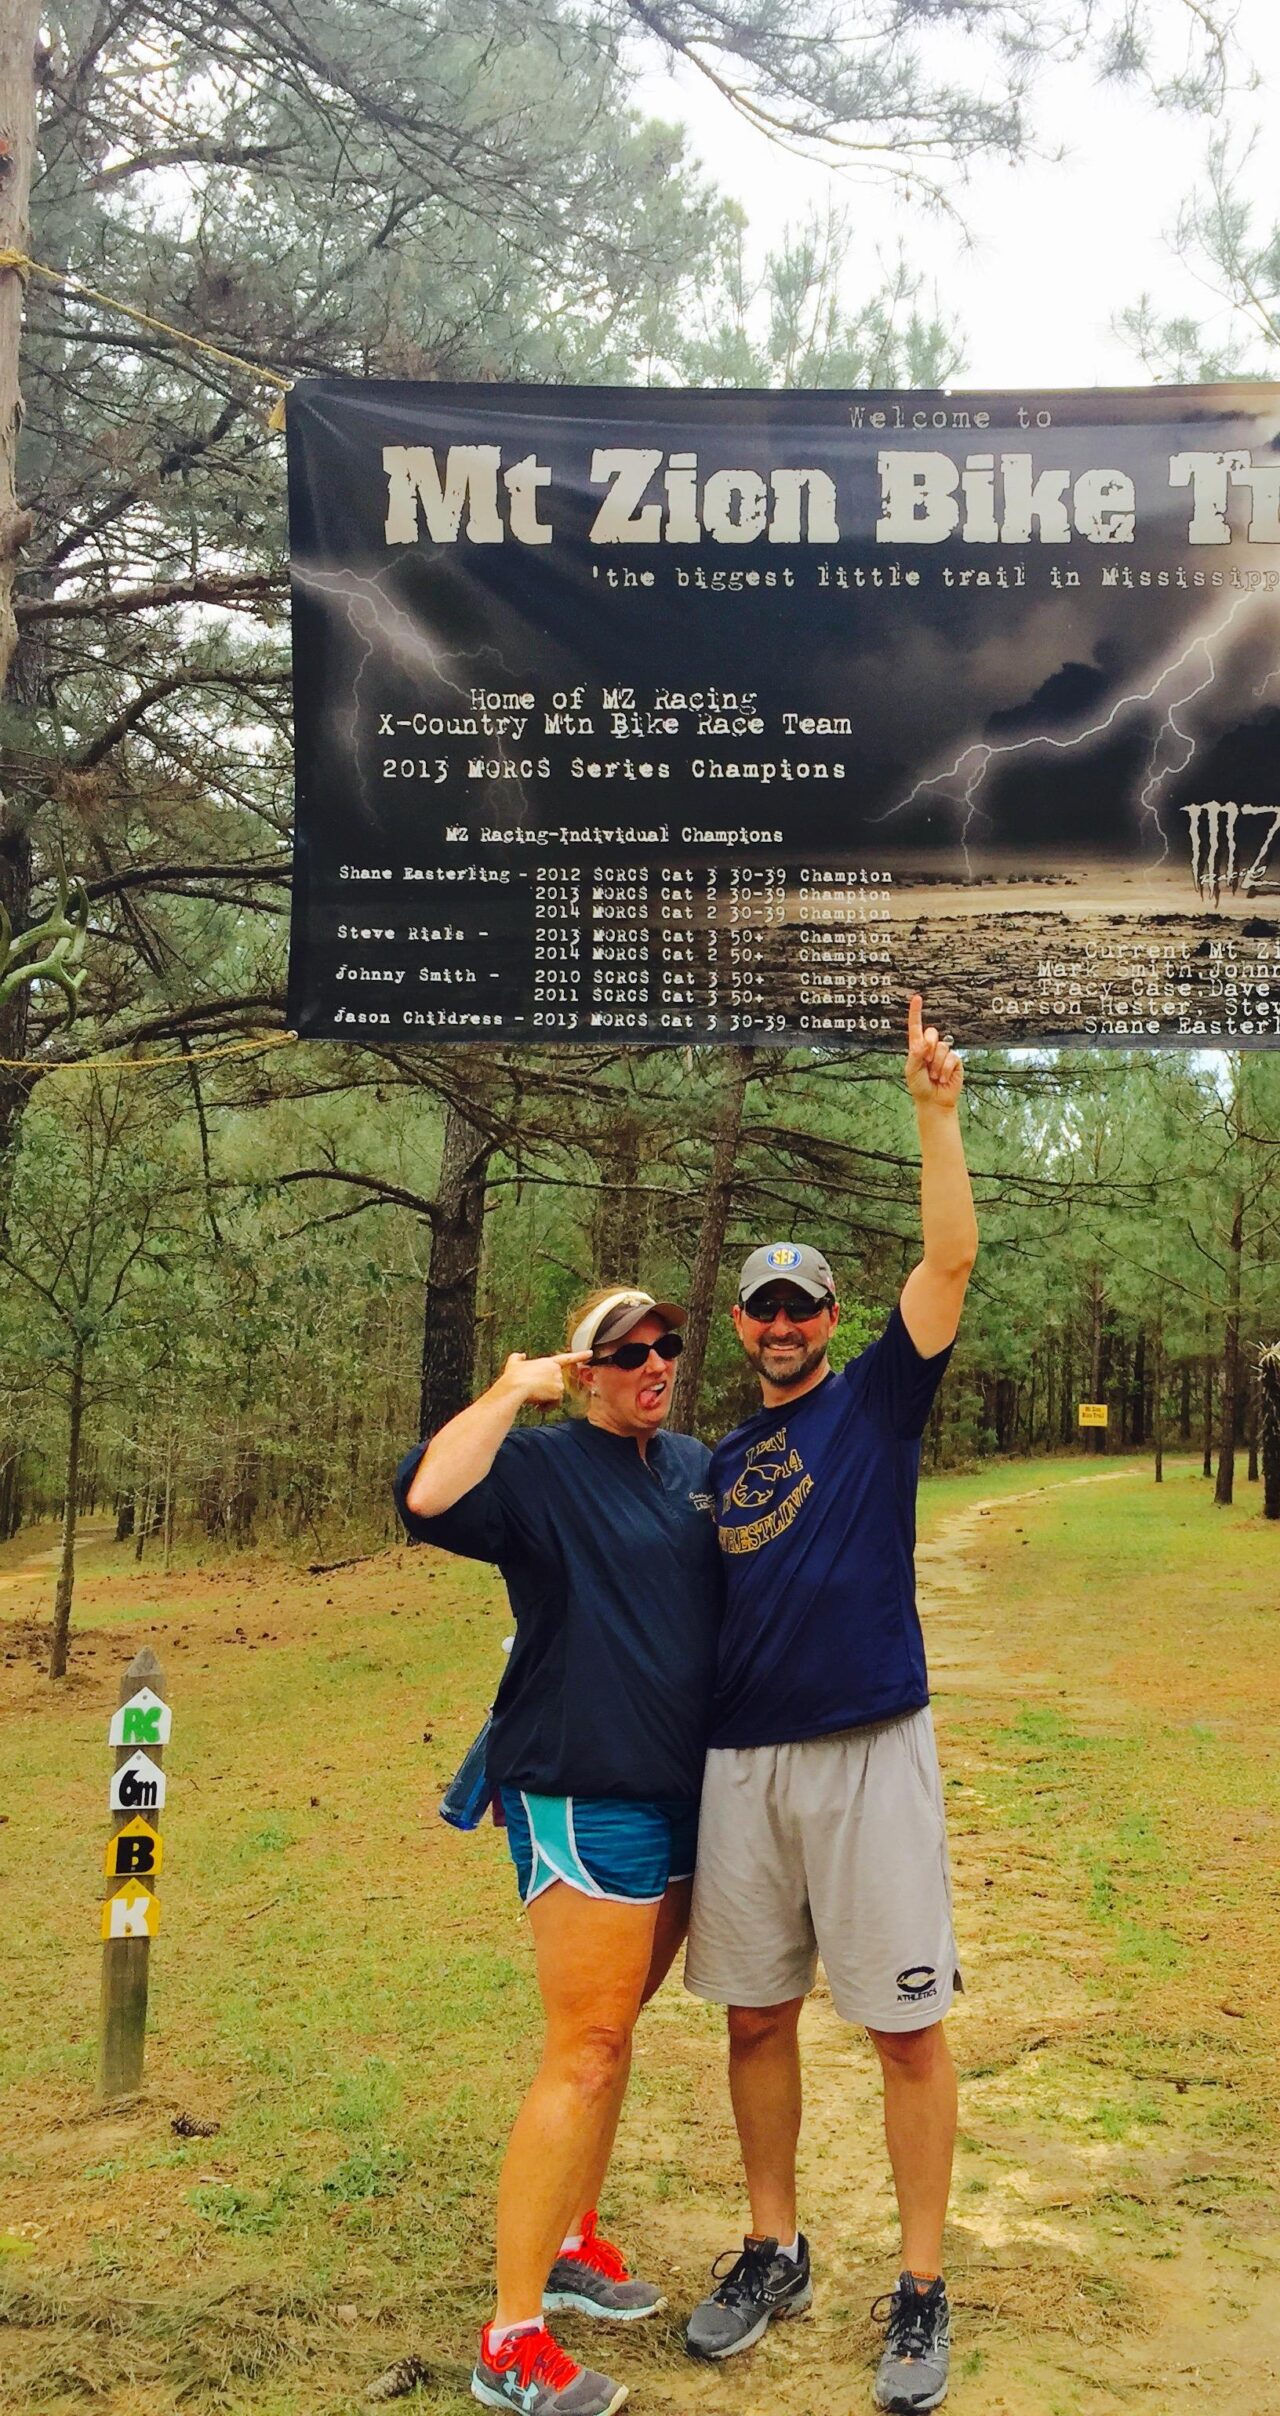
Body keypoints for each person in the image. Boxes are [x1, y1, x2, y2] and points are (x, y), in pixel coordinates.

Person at [682, 994, 977, 2415]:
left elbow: (952, 1258)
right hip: (741, 1773)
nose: (786, 1322)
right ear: (742, 1323)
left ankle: (920, 2286)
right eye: (765, 1305)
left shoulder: (875, 1403)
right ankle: (772, 2245)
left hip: (867, 1750)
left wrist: (934, 1117)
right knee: (753, 2022)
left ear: (830, 1320)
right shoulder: (718, 1457)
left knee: (905, 2028)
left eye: (805, 1304)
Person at [395, 1286, 720, 2416]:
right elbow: (428, 1493)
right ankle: (511, 2336)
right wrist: (509, 1387)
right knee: (582, 2045)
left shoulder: (691, 1465)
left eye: (666, 1345)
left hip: (681, 1794)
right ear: (583, 1372)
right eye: (626, 1351)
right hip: (578, 1790)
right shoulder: (539, 1467)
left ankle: (576, 2236)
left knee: (615, 2036)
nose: (654, 1361)